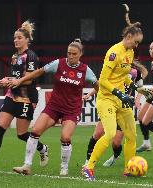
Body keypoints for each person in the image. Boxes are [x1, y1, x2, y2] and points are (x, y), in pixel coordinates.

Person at [8, 39, 99, 176]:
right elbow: (39, 71)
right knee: (35, 131)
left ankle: (64, 167)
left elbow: (98, 86)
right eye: (69, 53)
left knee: (65, 137)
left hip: (71, 109)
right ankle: (26, 166)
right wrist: (20, 80)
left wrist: (97, 95)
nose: (71, 56)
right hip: (54, 106)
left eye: (74, 54)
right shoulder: (59, 63)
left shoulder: (86, 70)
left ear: (80, 54)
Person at [82, 4, 145, 180]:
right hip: (107, 99)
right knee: (109, 134)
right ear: (129, 36)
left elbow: (123, 75)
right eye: (136, 41)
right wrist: (119, 94)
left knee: (131, 135)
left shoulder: (130, 52)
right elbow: (103, 80)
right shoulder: (113, 52)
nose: (137, 45)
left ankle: (128, 169)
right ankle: (89, 167)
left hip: (121, 99)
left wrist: (134, 87)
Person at [0, 21, 48, 173]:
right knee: (0, 127)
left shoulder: (31, 56)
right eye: (15, 38)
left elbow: (28, 79)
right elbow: (16, 76)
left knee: (21, 134)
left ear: (27, 40)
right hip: (12, 95)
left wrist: (10, 81)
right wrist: (6, 79)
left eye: (19, 38)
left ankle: (42, 148)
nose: (16, 40)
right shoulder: (15, 56)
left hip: (27, 97)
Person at [84, 60, 148, 168]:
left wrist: (138, 99)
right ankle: (88, 161)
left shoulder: (135, 73)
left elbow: (139, 87)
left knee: (116, 143)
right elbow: (102, 83)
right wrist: (90, 94)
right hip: (110, 104)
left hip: (123, 107)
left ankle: (115, 156)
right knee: (98, 133)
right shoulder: (114, 69)